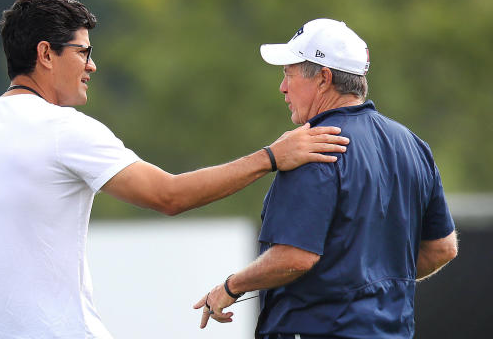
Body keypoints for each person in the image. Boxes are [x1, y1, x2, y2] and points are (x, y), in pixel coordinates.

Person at [0, 0, 349, 339]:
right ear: (45, 54)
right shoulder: (64, 129)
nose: (92, 64)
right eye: (83, 51)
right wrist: (272, 157)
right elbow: (168, 195)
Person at [194, 18, 458, 339]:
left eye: (288, 73)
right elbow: (442, 249)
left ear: (323, 78)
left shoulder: (311, 147)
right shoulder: (414, 145)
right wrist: (370, 289)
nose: (283, 87)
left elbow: (295, 257)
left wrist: (230, 287)